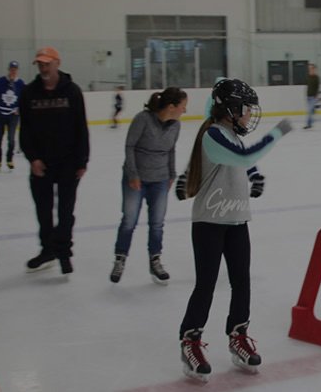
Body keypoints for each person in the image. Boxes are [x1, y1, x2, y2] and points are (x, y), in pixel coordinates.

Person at [176, 79, 292, 382]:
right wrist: (277, 133)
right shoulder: (213, 134)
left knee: (242, 282)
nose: (249, 115)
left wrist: (253, 179)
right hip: (209, 224)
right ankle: (190, 340)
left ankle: (238, 335)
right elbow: (242, 158)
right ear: (230, 109)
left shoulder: (232, 135)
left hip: (237, 221)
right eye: (246, 109)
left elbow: (243, 165)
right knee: (206, 285)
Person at [19, 46, 89, 276]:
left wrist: (82, 161)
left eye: (47, 63)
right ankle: (48, 250)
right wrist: (33, 159)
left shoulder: (72, 92)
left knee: (66, 212)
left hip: (68, 162)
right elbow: (25, 130)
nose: (43, 67)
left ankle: (64, 253)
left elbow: (81, 127)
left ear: (57, 63)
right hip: (42, 163)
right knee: (43, 211)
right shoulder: (29, 93)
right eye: (40, 63)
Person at [109, 88, 186, 284]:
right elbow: (130, 146)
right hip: (136, 180)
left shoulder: (176, 125)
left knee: (157, 223)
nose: (184, 111)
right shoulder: (143, 119)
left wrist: (171, 174)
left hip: (160, 179)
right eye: (183, 106)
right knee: (129, 220)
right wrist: (133, 175)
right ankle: (120, 259)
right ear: (171, 106)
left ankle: (155, 260)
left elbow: (171, 150)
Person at [0, 60, 25, 171]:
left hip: (13, 115)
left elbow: (25, 98)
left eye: (15, 69)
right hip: (0, 114)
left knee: (11, 139)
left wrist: (19, 109)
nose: (13, 71)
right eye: (11, 69)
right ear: (9, 69)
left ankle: (9, 159)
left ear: (17, 70)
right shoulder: (0, 81)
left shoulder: (20, 84)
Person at [305, 63, 320, 129]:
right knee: (310, 111)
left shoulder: (316, 77)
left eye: (311, 68)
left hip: (313, 97)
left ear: (314, 69)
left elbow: (317, 86)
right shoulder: (308, 76)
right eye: (309, 68)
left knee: (309, 111)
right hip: (308, 96)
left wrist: (316, 95)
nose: (310, 69)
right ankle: (311, 121)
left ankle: (308, 124)